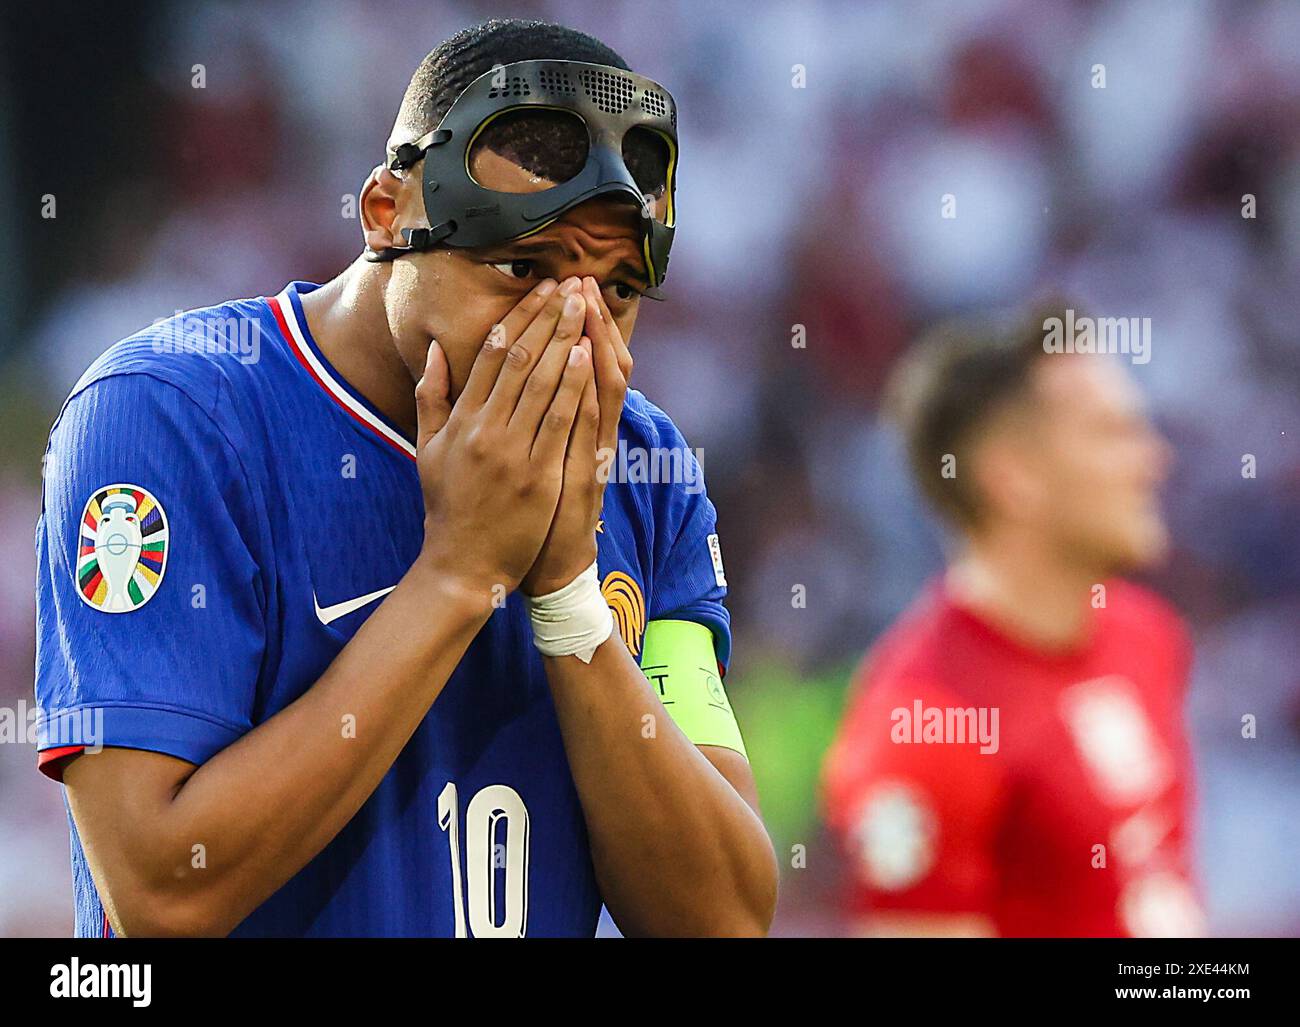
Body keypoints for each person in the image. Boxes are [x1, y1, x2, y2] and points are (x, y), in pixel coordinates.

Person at [34, 18, 776, 938]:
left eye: (618, 290)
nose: (572, 337)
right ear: (388, 213)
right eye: (520, 266)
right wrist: (458, 576)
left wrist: (568, 599)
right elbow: (160, 889)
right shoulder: (168, 416)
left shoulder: (643, 466)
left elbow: (724, 919)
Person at [821, 305, 1205, 937]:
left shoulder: (1149, 636)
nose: (1154, 458)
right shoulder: (925, 725)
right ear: (1013, 476)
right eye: (1114, 433)